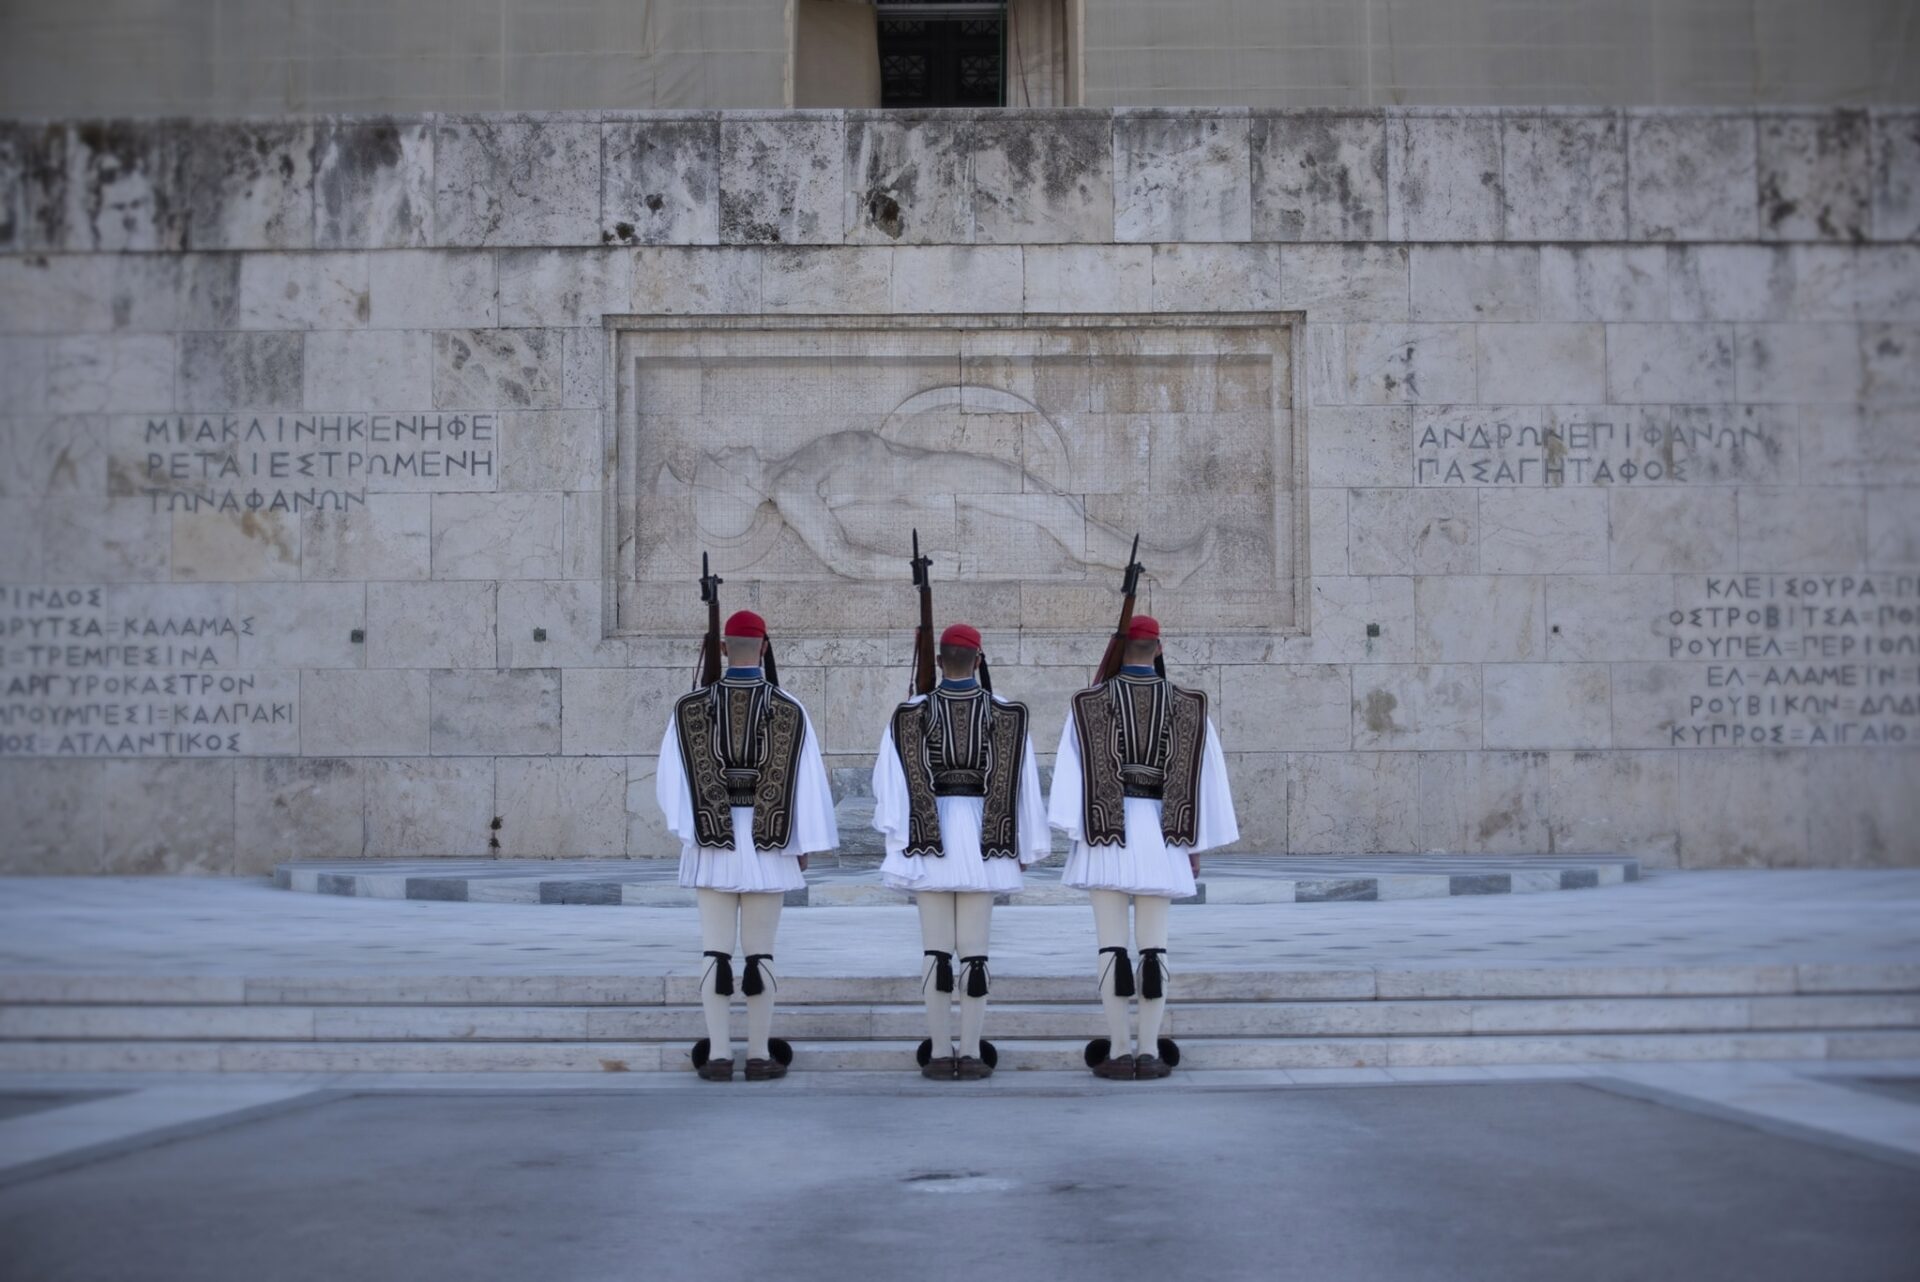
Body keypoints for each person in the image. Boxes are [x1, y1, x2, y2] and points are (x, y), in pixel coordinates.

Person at [1048, 615, 1238, 1080]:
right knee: (1155, 949)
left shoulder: (1087, 704)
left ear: (1119, 649)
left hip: (1104, 835)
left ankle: (1117, 1048)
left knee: (1110, 948)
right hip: (1163, 835)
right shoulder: (1191, 705)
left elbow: (1070, 777)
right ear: (1158, 648)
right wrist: (1194, 845)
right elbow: (1205, 781)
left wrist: (1075, 831)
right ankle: (1150, 1051)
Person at [656, 609, 838, 1082]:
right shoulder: (789, 708)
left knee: (714, 953)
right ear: (764, 648)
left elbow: (670, 782)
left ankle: (718, 1056)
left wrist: (693, 831)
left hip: (712, 844)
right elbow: (807, 783)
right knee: (761, 955)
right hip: (769, 845)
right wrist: (804, 842)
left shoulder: (690, 707)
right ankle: (758, 1054)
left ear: (722, 649)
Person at [872, 623, 1048, 1080]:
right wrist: (1022, 844)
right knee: (975, 954)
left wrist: (901, 838)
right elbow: (1023, 786)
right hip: (986, 840)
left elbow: (889, 787)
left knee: (935, 952)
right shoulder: (1007, 714)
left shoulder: (910, 712)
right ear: (979, 658)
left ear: (937, 661)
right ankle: (969, 1053)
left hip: (928, 839)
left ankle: (936, 1052)